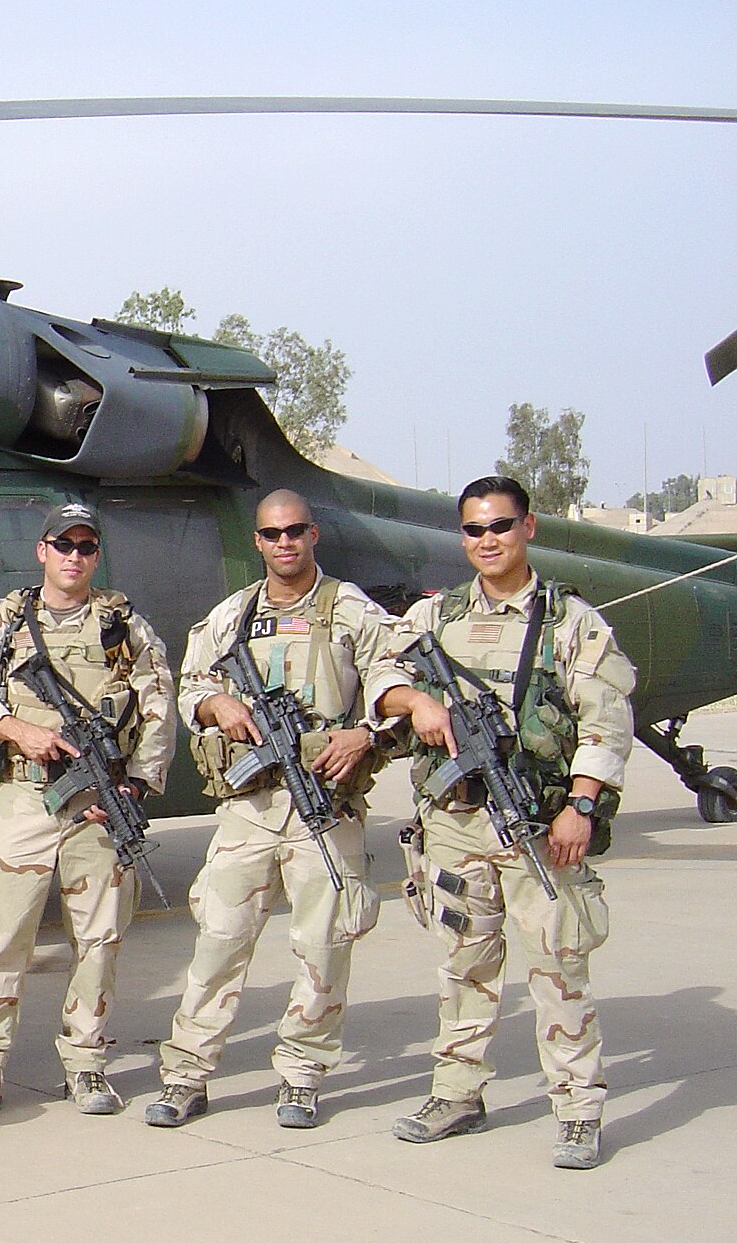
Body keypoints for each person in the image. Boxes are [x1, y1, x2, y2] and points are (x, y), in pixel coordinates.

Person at [378, 475, 635, 1169]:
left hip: (537, 821)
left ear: (528, 529)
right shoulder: (436, 616)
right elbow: (378, 675)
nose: (486, 540)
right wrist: (416, 703)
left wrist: (581, 806)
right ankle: (457, 1094)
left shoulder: (570, 620)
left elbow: (607, 722)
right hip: (456, 822)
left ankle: (579, 1108)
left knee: (557, 964)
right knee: (464, 964)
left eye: (499, 526)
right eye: (473, 529)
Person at [146, 490, 409, 1130]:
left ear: (313, 535)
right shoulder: (232, 617)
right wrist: (219, 708)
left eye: (295, 531)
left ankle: (301, 1074)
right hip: (251, 807)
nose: (284, 543)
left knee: (323, 945)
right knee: (218, 942)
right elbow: (196, 683)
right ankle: (186, 1073)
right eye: (271, 534)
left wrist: (365, 733)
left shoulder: (351, 610)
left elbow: (394, 681)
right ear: (258, 542)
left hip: (326, 803)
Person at [0, 501, 175, 1122]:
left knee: (99, 939)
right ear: (42, 550)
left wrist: (137, 787)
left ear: (97, 555)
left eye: (86, 547)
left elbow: (158, 705)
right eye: (63, 544)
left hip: (101, 803)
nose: (75, 557)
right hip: (27, 797)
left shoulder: (123, 624)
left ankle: (86, 1062)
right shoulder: (7, 619)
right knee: (4, 937)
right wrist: (16, 728)